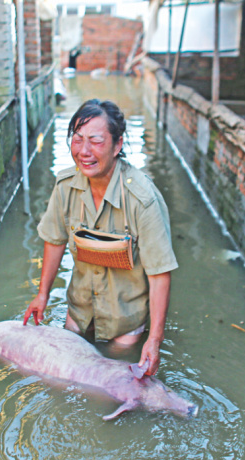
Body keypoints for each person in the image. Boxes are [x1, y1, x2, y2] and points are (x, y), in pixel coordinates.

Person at [23, 99, 178, 377]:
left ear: (117, 145)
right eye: (77, 139)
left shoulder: (142, 199)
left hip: (125, 321)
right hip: (80, 309)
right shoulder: (65, 186)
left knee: (117, 376)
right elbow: (55, 241)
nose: (84, 151)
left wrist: (154, 340)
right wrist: (42, 295)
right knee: (67, 373)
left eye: (95, 141)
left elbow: (159, 274)